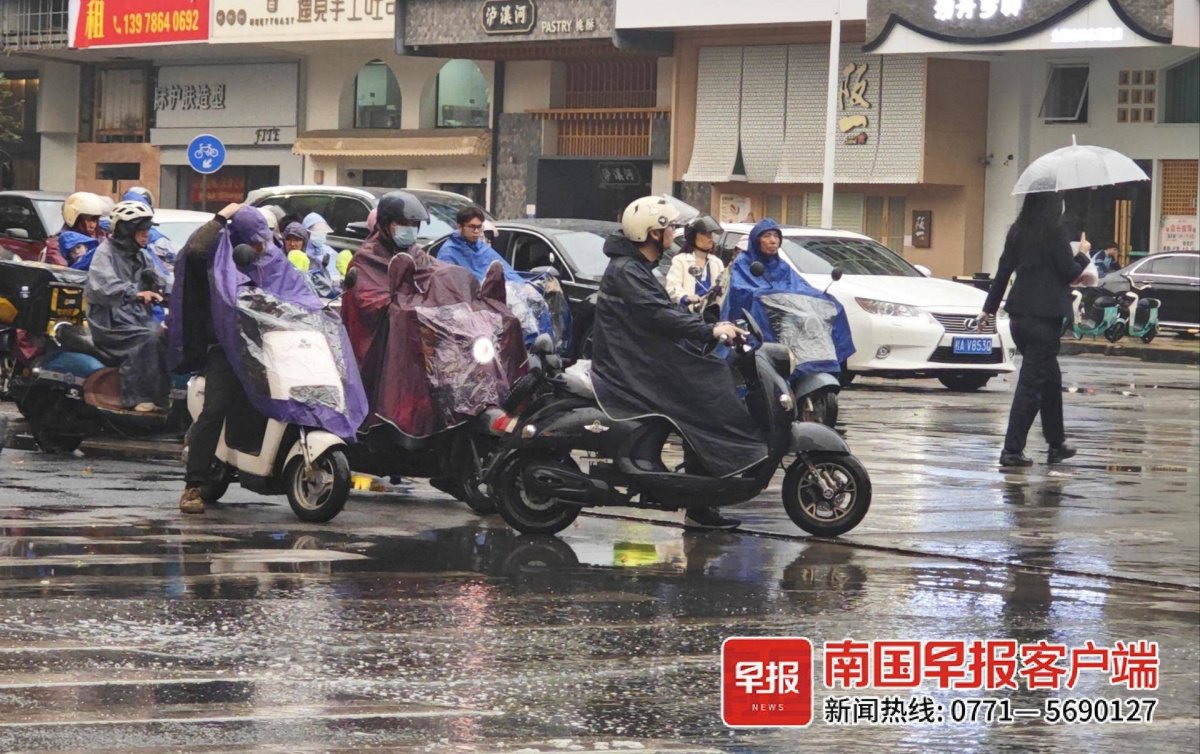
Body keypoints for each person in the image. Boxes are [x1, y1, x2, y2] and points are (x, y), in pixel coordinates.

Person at [167, 204, 367, 514]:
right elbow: (194, 251)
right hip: (228, 346)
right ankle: (193, 486)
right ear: (241, 240)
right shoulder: (220, 258)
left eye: (265, 239)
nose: (262, 246)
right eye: (255, 240)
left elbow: (298, 293)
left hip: (274, 346)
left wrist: (321, 311)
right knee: (215, 408)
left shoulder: (273, 258)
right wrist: (220, 217)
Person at [590, 195, 768, 531]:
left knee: (709, 371)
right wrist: (708, 331)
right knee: (709, 384)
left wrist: (702, 323)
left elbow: (660, 311)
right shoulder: (628, 270)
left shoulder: (636, 267)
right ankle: (705, 494)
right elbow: (657, 315)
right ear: (653, 233)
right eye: (669, 226)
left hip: (641, 354)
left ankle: (704, 492)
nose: (674, 231)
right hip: (631, 364)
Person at [981, 192, 1092, 467]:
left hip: (1020, 317)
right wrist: (1083, 255)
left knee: (1050, 380)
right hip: (1045, 318)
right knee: (1031, 386)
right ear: (1052, 205)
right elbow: (1068, 272)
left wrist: (989, 308)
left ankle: (1056, 444)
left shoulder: (1017, 231)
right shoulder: (1054, 232)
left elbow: (1004, 270)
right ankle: (1012, 450)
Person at [721, 218, 855, 377]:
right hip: (754, 322)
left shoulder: (782, 265)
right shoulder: (743, 262)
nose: (773, 241)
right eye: (767, 236)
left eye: (776, 236)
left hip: (786, 318)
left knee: (834, 305)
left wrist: (821, 297)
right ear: (756, 241)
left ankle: (825, 361)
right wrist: (762, 295)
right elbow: (741, 290)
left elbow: (800, 287)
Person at [84, 200, 169, 413]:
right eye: (141, 230)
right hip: (111, 324)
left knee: (169, 335)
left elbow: (163, 281)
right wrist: (136, 293)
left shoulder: (142, 255)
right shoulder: (105, 253)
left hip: (137, 319)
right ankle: (136, 397)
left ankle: (165, 395)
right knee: (148, 338)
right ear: (126, 231)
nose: (146, 235)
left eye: (147, 230)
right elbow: (102, 286)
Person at [436, 205, 561, 346]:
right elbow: (450, 286)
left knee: (535, 300)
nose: (476, 231)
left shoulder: (481, 247)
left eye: (479, 227)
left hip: (497, 297)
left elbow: (504, 271)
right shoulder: (448, 252)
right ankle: (526, 345)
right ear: (460, 226)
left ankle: (542, 347)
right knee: (515, 314)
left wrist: (523, 287)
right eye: (472, 227)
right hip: (474, 308)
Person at [665, 215, 725, 311]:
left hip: (710, 316)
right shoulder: (680, 260)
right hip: (688, 315)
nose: (710, 237)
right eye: (704, 233)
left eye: (711, 233)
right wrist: (686, 298)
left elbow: (724, 290)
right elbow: (672, 288)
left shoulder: (717, 262)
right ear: (693, 236)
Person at [44, 192, 108, 266]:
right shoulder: (56, 244)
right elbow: (63, 271)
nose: (92, 225)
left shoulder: (100, 237)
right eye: (88, 220)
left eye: (95, 220)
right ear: (75, 218)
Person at [302, 212, 339, 297]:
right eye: (318, 231)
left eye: (323, 231)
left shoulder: (329, 252)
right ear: (306, 231)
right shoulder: (301, 251)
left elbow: (335, 275)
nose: (322, 234)